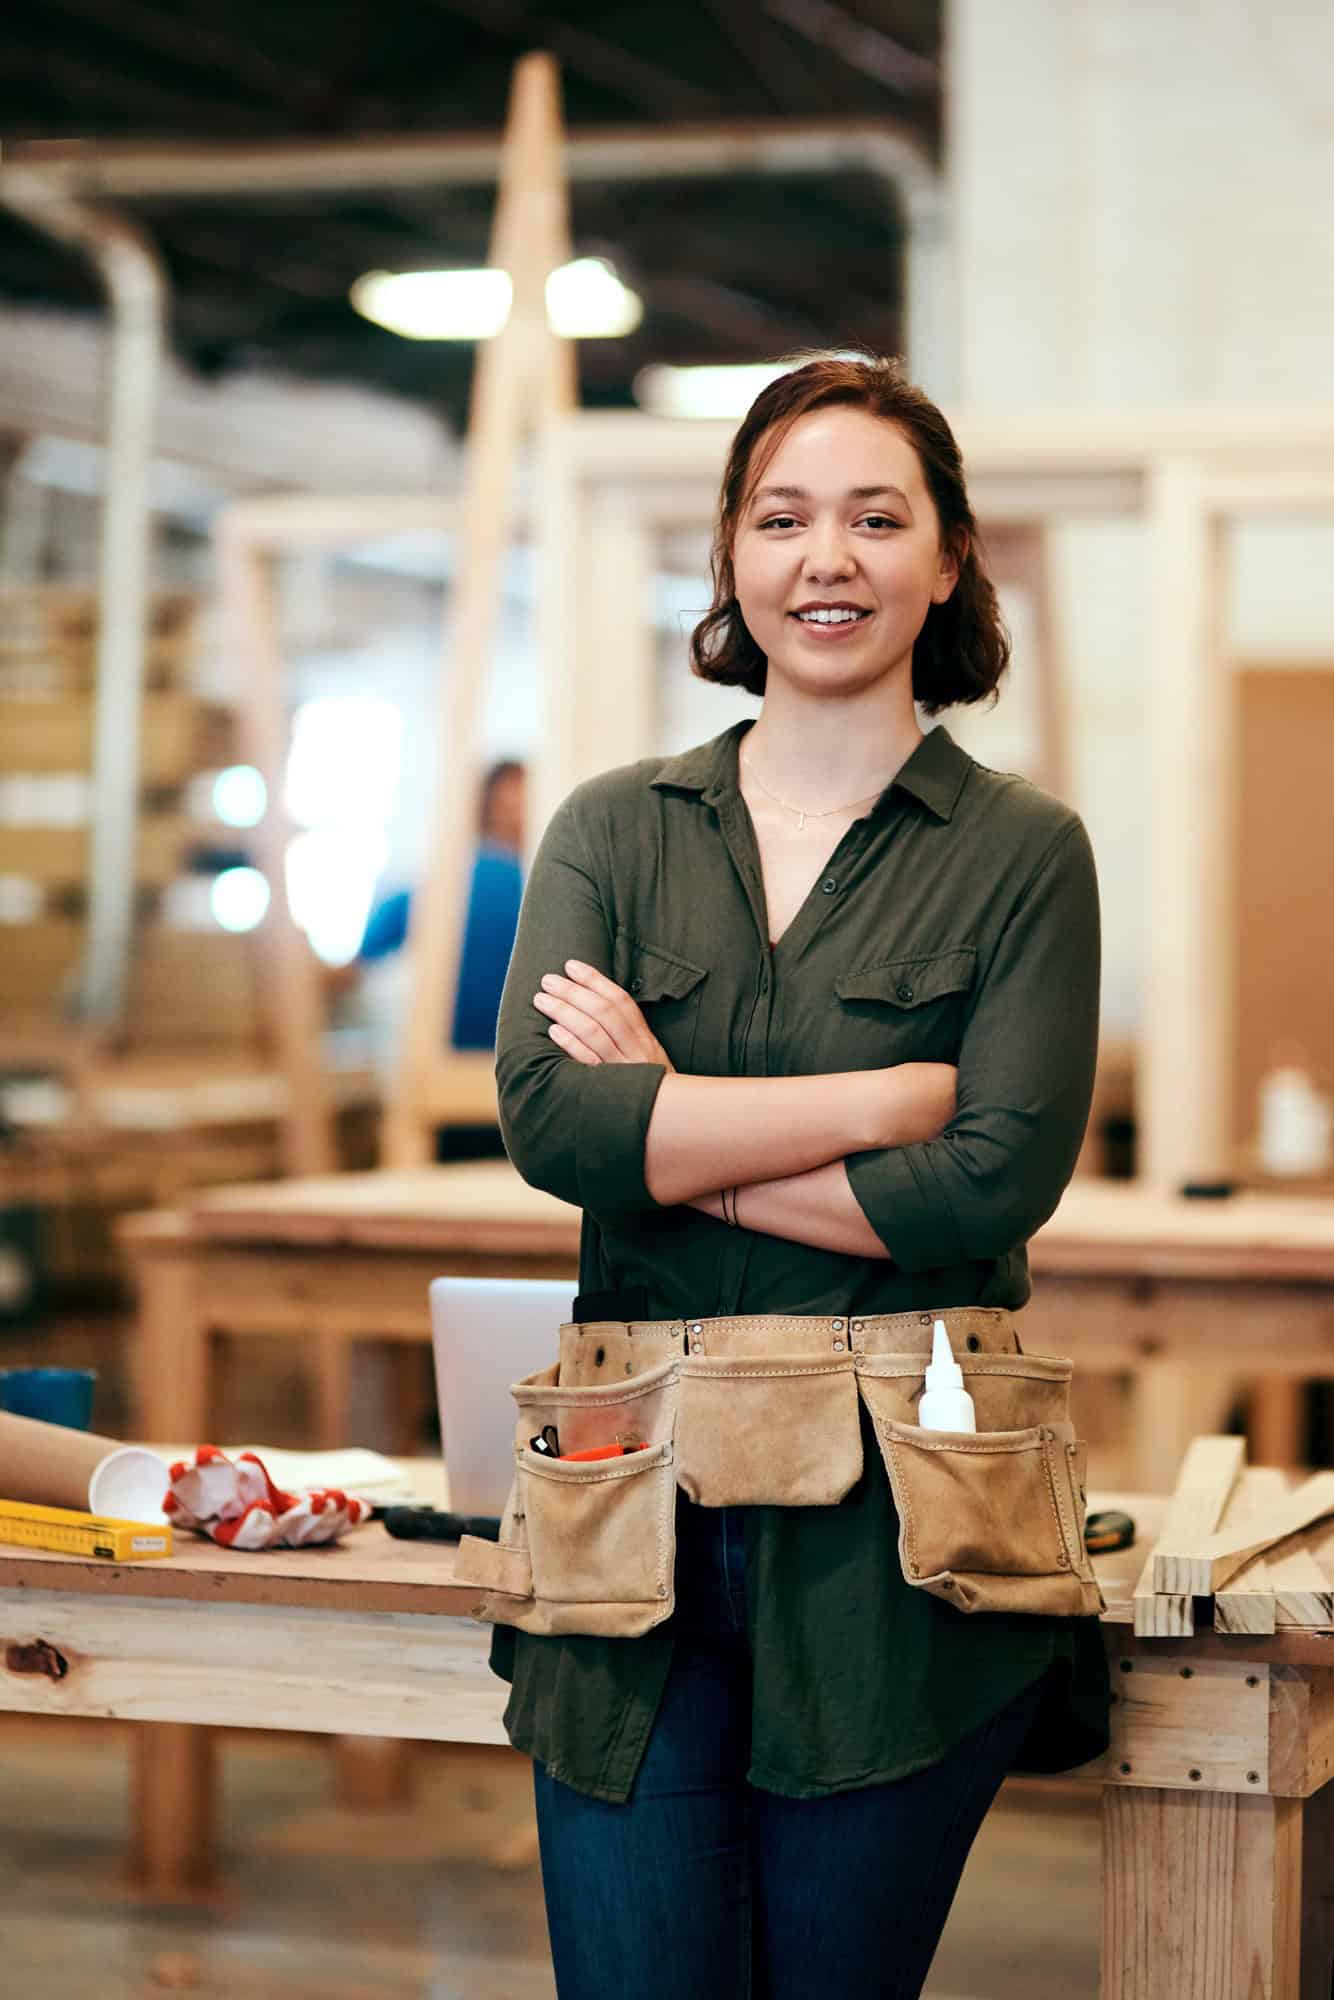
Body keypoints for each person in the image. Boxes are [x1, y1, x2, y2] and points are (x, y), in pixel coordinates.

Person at [488, 354, 1111, 1999]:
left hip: (900, 1544)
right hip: (624, 1512)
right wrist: (873, 1103)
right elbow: (555, 1129)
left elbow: (985, 1187)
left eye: (871, 516)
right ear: (728, 559)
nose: (822, 556)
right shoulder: (612, 833)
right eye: (780, 517)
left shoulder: (1018, 851)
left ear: (945, 559)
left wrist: (669, 1130)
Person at [356, 758, 525, 1159]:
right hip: (483, 1076)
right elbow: (361, 957)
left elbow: (357, 961)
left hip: (506, 1073)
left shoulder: (445, 880)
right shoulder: (445, 882)